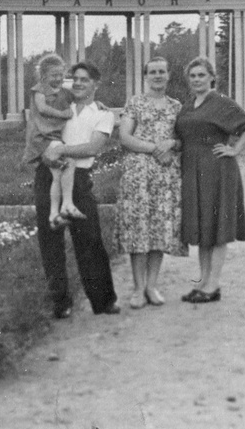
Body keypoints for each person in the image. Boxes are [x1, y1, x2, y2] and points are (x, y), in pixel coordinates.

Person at [34, 63, 119, 318]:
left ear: (96, 84)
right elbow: (37, 129)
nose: (78, 83)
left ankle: (103, 301)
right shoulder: (61, 106)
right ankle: (61, 304)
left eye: (84, 79)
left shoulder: (103, 114)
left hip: (79, 179)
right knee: (51, 241)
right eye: (75, 79)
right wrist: (47, 154)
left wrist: (60, 150)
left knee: (90, 239)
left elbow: (93, 148)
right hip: (48, 174)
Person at [175, 57, 245, 303]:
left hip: (217, 170)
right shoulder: (188, 105)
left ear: (211, 77)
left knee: (217, 226)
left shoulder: (221, 102)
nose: (197, 80)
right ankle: (203, 281)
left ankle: (213, 285)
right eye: (193, 76)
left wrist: (234, 150)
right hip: (192, 170)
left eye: (201, 75)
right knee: (202, 227)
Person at [116, 56, 185, 309]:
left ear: (168, 75)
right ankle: (137, 289)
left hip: (166, 175)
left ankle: (151, 286)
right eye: (152, 72)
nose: (157, 76)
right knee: (139, 230)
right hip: (138, 174)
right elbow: (125, 137)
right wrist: (156, 147)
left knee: (158, 230)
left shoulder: (177, 106)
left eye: (162, 72)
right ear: (146, 76)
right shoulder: (135, 102)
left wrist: (173, 144)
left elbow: (182, 139)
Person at [20, 54, 84, 230]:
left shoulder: (63, 91)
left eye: (60, 74)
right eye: (53, 75)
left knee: (57, 175)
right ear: (43, 77)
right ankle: (66, 205)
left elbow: (83, 98)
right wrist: (62, 114)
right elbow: (42, 108)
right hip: (41, 138)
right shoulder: (39, 90)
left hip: (53, 137)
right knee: (69, 162)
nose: (58, 78)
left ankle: (54, 214)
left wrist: (99, 104)